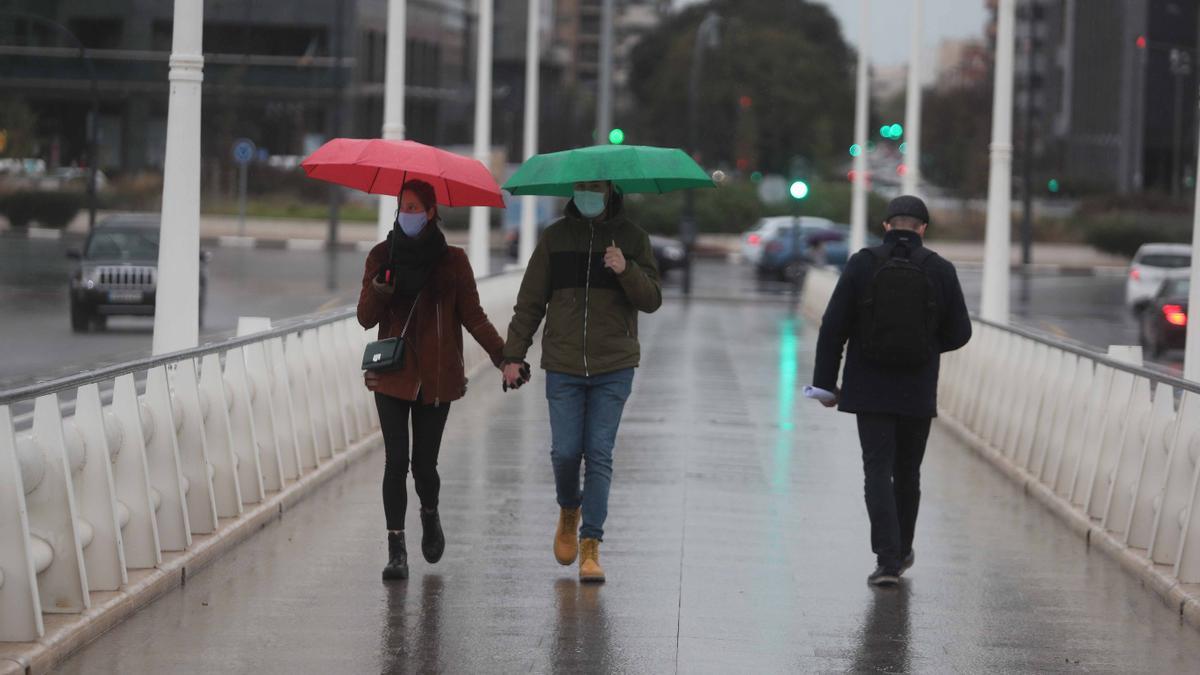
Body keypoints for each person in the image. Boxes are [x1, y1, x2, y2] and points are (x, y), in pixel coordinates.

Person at [502, 180, 662, 583]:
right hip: (564, 365)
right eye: (582, 186)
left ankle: (591, 545)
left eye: (596, 186)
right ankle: (568, 509)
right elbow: (530, 301)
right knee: (565, 452)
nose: (588, 192)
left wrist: (626, 270)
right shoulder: (555, 238)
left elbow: (652, 299)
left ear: (610, 189)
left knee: (599, 453)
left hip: (615, 364)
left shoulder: (633, 238)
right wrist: (513, 354)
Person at [811, 195, 972, 587]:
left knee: (877, 470)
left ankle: (886, 561)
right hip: (917, 389)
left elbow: (833, 328)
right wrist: (927, 347)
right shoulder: (940, 269)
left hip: (869, 386)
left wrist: (824, 386)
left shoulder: (862, 264)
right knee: (908, 472)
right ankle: (902, 552)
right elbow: (960, 332)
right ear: (922, 229)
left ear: (886, 226)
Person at [357, 179, 506, 581]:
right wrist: (379, 291)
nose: (407, 214)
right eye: (402, 207)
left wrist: (503, 356)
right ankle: (396, 549)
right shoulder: (381, 256)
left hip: (437, 379)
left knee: (424, 466)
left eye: (414, 207)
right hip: (392, 374)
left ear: (431, 212)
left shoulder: (453, 261)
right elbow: (365, 318)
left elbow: (473, 316)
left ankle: (429, 512)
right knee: (395, 461)